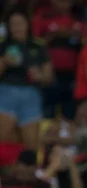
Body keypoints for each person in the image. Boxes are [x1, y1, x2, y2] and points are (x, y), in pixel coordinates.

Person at [0, 10, 54, 150]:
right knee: (3, 142)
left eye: (20, 23)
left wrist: (39, 76)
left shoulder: (38, 46)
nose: (16, 27)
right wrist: (4, 62)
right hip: (6, 92)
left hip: (31, 95)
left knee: (31, 146)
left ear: (27, 25)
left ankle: (31, 170)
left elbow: (49, 77)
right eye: (12, 24)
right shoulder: (3, 46)